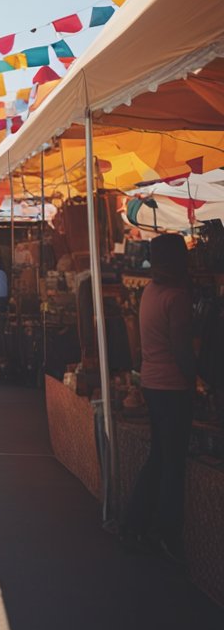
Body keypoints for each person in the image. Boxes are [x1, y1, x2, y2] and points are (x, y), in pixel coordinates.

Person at [123, 234, 196, 560]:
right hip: (172, 385)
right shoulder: (176, 297)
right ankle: (166, 532)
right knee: (171, 463)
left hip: (153, 383)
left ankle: (135, 521)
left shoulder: (151, 291)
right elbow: (181, 349)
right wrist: (198, 377)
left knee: (159, 456)